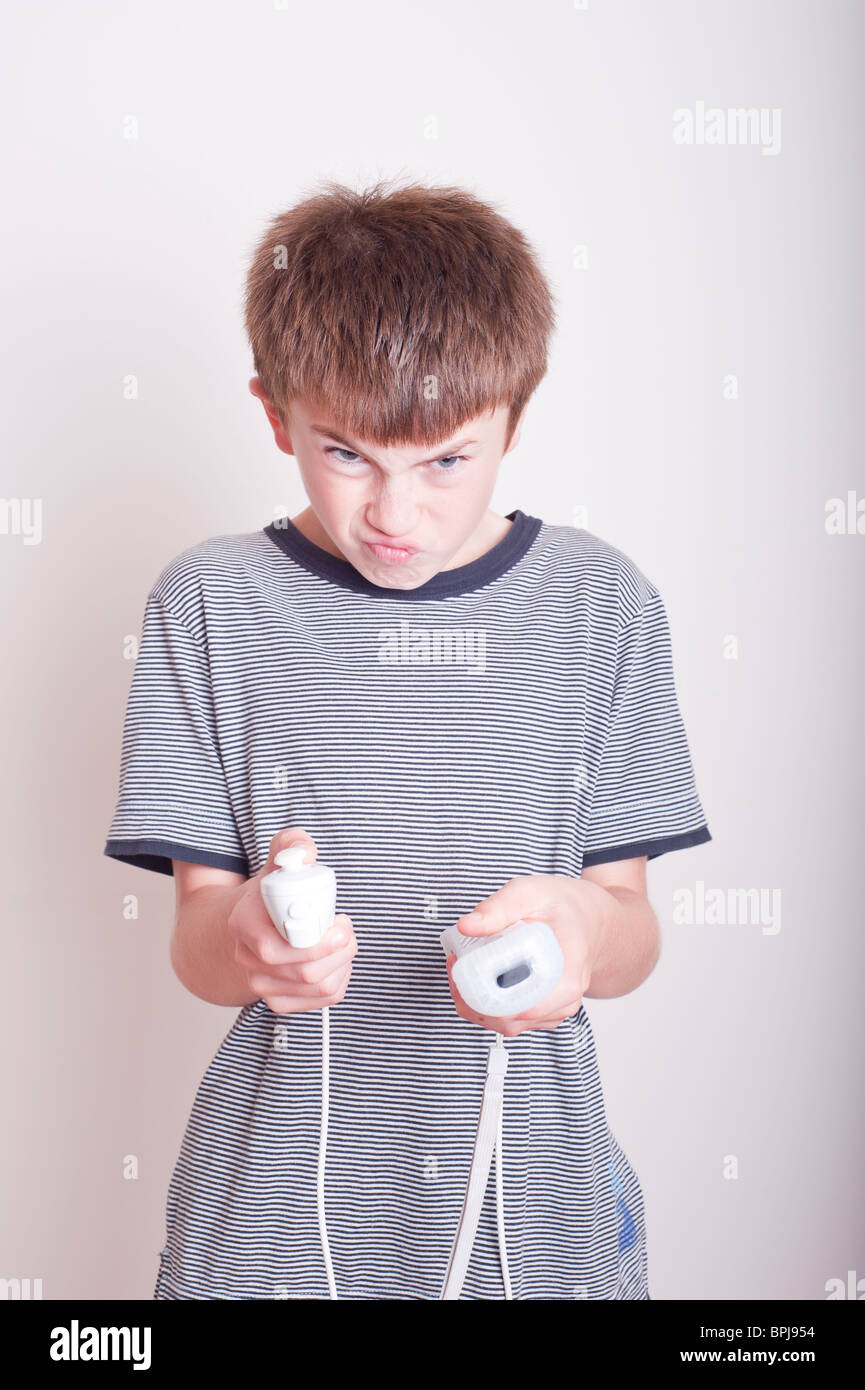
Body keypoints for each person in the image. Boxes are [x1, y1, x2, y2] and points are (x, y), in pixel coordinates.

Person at [104, 178, 711, 1300]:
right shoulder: (209, 603)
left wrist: (582, 924)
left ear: (513, 422)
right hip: (273, 1217)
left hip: (532, 1211)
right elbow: (196, 941)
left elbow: (630, 932)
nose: (396, 514)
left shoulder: (602, 603)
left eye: (445, 459)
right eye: (347, 456)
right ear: (277, 415)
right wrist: (247, 930)